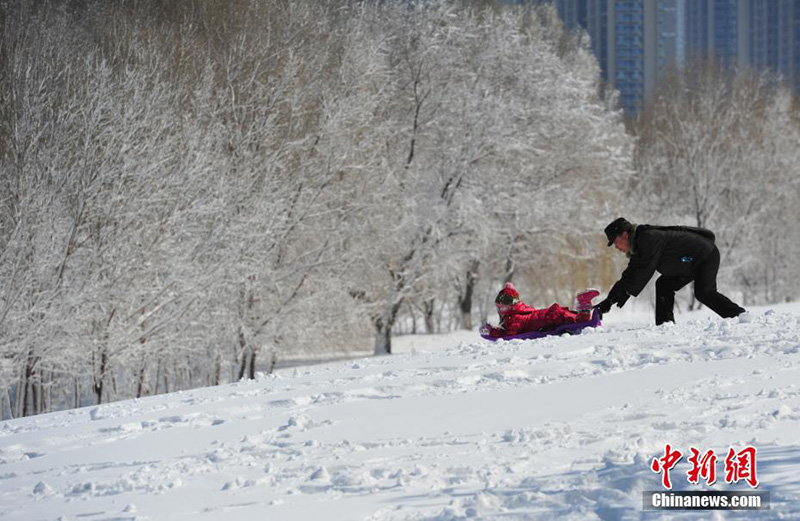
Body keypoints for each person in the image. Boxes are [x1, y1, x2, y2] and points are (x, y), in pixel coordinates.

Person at [598, 217, 746, 325]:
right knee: (664, 284)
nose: (616, 247)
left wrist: (626, 292)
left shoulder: (648, 238)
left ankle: (739, 315)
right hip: (687, 262)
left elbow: (645, 270)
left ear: (624, 234)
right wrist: (609, 300)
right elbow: (630, 274)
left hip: (705, 255)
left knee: (704, 292)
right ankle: (665, 325)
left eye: (615, 242)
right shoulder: (639, 244)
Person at [482, 283, 598, 338]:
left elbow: (509, 334)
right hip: (549, 314)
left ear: (511, 306)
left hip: (549, 318)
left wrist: (492, 332)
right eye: (498, 307)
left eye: (502, 307)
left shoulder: (515, 318)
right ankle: (584, 305)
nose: (500, 310)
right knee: (575, 319)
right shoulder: (521, 311)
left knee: (579, 323)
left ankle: (583, 302)